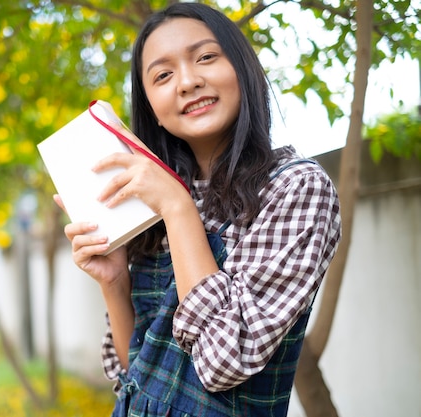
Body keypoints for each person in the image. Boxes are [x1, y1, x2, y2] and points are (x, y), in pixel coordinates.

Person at [56, 3, 341, 416]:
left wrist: (177, 207)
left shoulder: (295, 187)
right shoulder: (149, 196)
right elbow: (133, 378)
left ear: (241, 67)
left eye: (206, 57)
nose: (188, 82)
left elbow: (222, 363)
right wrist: (115, 281)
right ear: (150, 103)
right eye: (163, 75)